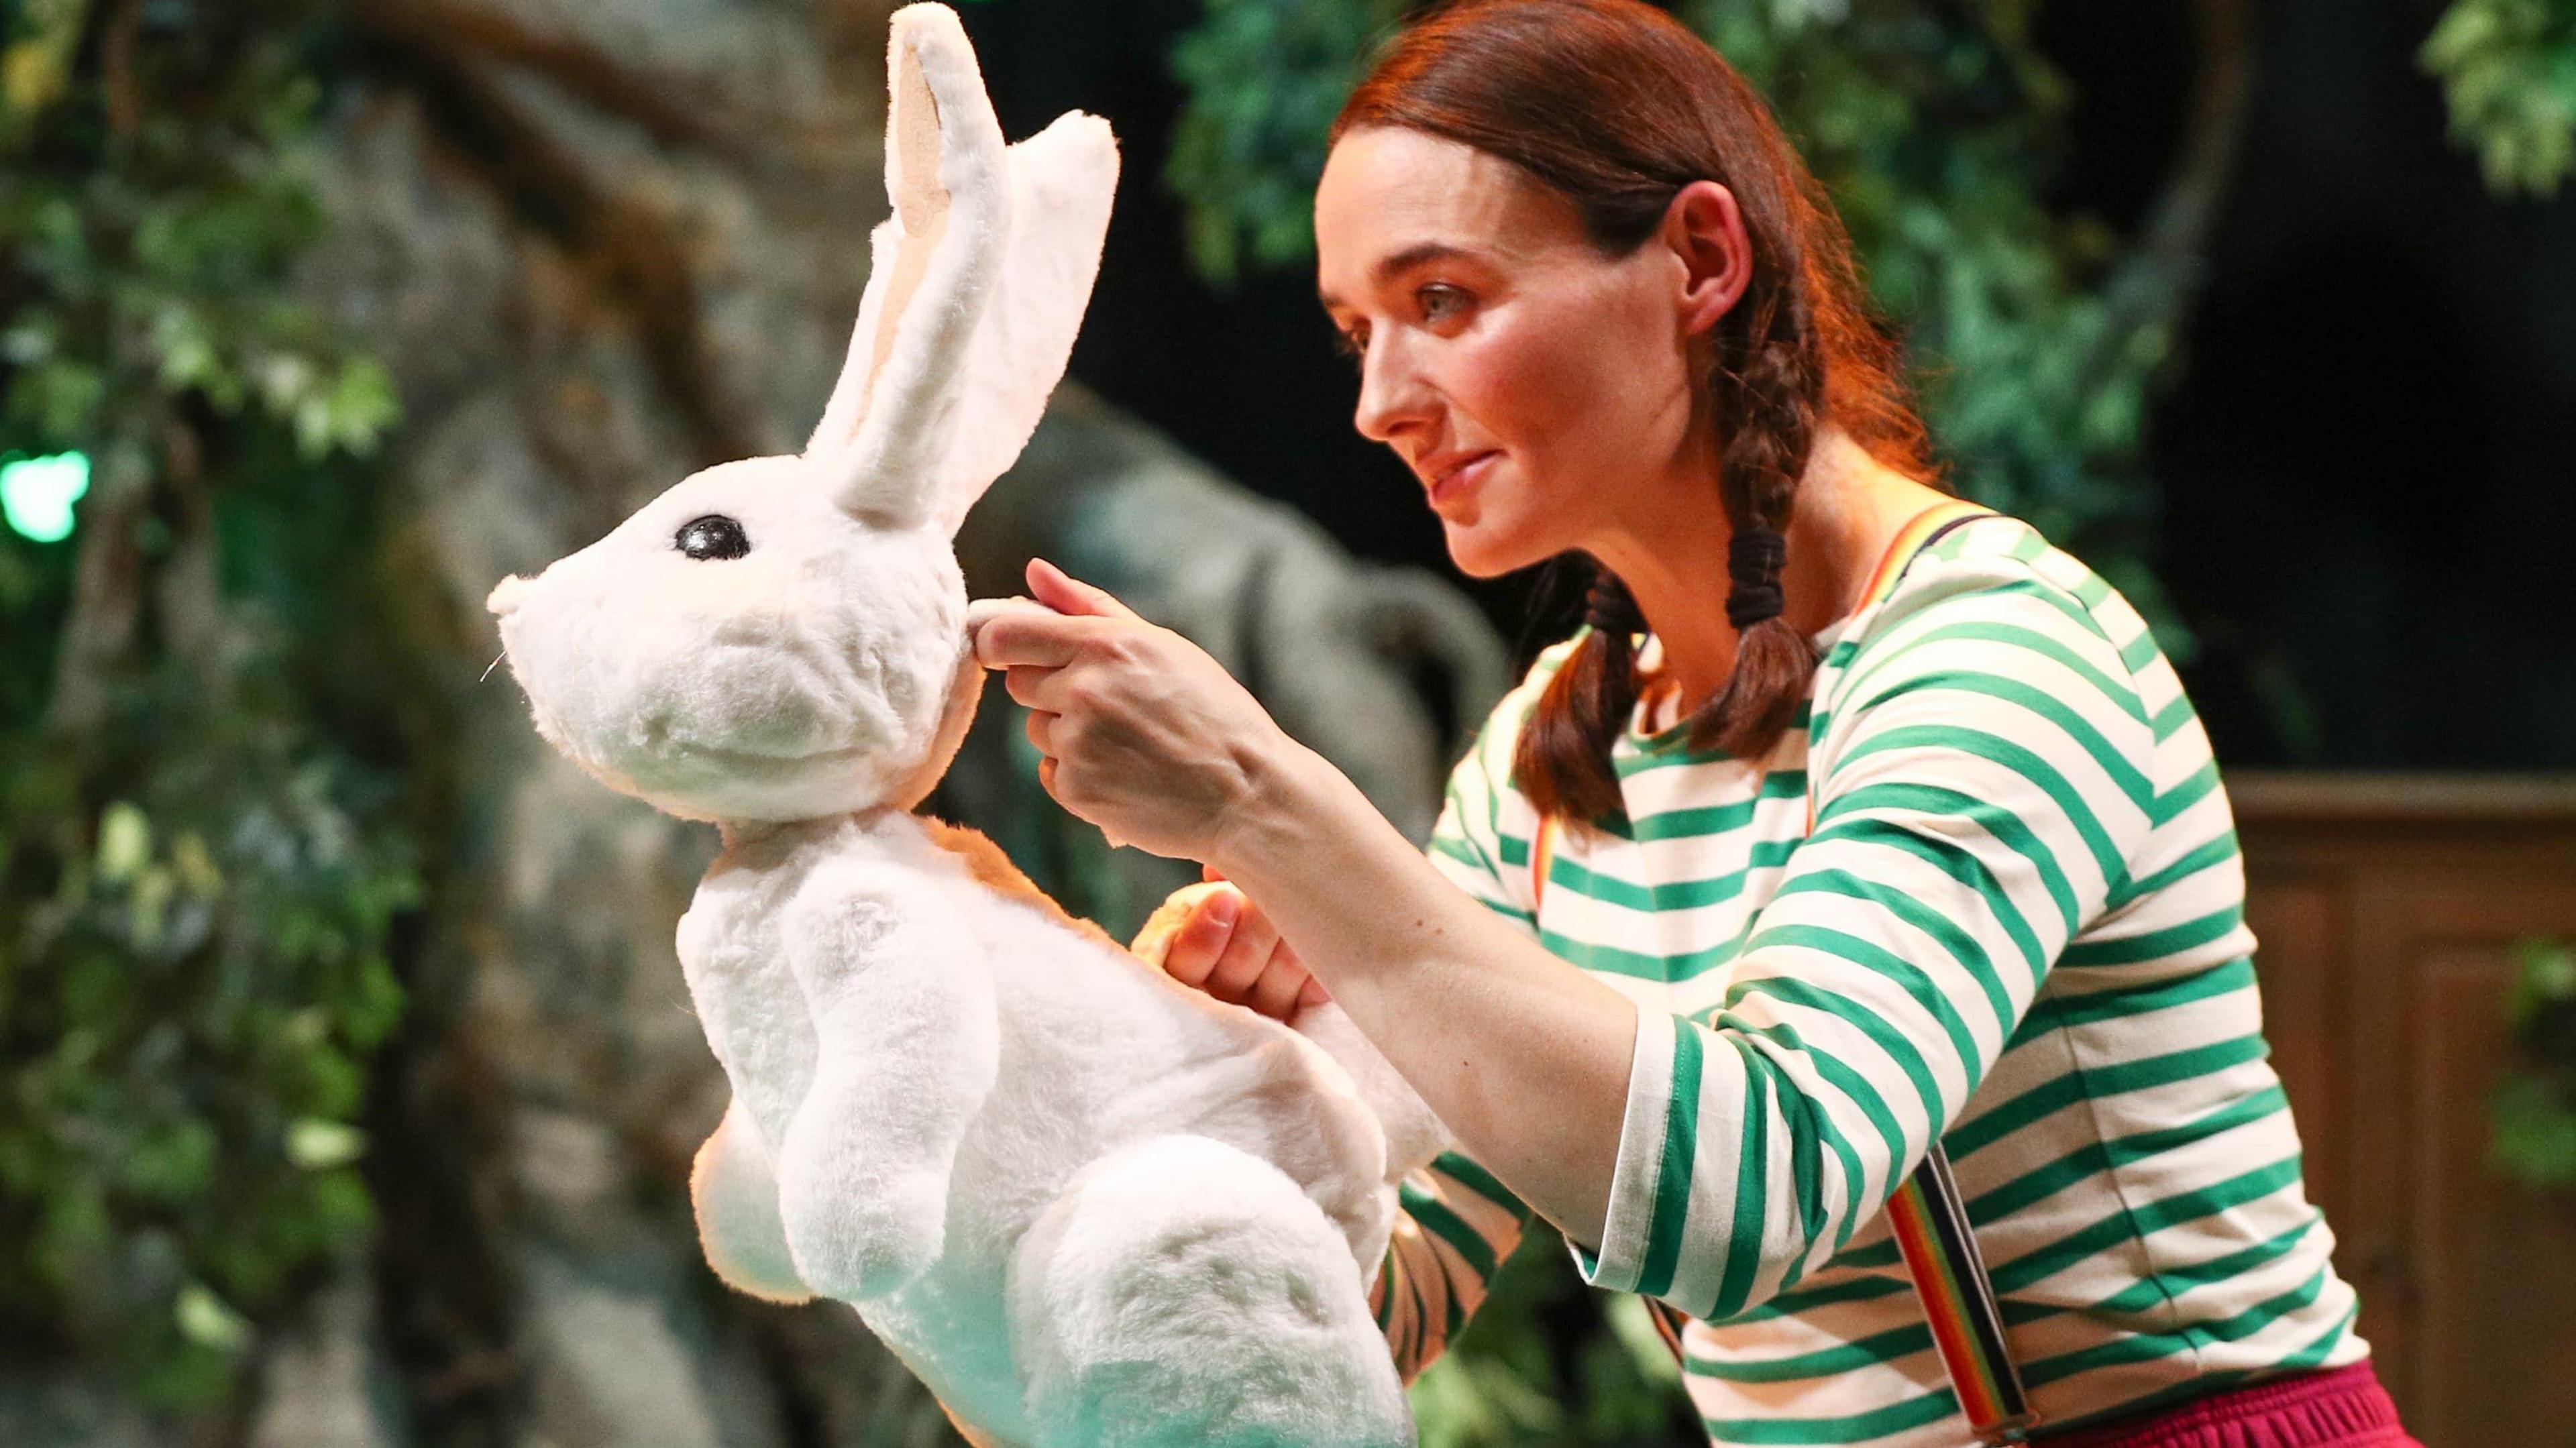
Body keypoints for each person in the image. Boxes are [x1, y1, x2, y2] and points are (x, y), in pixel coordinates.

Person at [969, 1, 2418, 1443]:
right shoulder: (1558, 757)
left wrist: (1266, 806)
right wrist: (1232, 1107)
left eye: (1444, 303)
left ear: (1701, 261)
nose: (1379, 403)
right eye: (1359, 332)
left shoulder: (1992, 654)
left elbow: (1753, 1198)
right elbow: (1376, 1308)